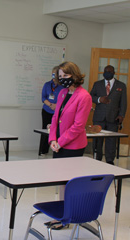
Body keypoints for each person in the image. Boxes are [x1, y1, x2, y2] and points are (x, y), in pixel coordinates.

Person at [47, 61, 92, 230]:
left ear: (74, 75)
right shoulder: (62, 93)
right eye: (60, 76)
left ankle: (67, 217)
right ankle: (61, 214)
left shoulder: (84, 96)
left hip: (72, 145)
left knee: (70, 182)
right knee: (61, 181)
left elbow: (78, 126)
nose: (63, 79)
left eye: (66, 76)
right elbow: (54, 118)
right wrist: (53, 140)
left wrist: (61, 141)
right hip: (58, 143)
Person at [90, 65, 127, 165]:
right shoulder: (97, 84)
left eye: (110, 71)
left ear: (114, 73)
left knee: (111, 140)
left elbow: (123, 102)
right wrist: (99, 99)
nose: (107, 73)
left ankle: (110, 161)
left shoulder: (121, 85)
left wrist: (121, 115)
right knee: (97, 140)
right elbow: (90, 97)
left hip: (113, 117)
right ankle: (96, 159)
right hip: (98, 117)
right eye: (106, 71)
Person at [39, 66, 64, 155]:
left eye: (56, 74)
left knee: (57, 130)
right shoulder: (47, 84)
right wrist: (50, 105)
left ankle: (56, 148)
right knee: (45, 131)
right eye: (53, 74)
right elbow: (43, 98)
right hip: (47, 110)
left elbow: (65, 99)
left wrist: (57, 106)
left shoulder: (63, 86)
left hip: (58, 112)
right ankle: (43, 150)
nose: (54, 76)